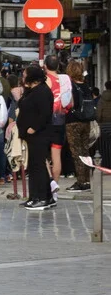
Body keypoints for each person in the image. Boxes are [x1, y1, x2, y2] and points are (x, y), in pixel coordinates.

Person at [18, 65, 54, 210]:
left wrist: (33, 128)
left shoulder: (43, 91)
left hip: (39, 134)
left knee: (38, 166)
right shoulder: (32, 90)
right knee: (34, 166)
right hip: (30, 135)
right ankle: (35, 196)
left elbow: (45, 113)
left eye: (25, 75)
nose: (23, 77)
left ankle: (42, 197)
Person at [43, 55, 73, 201]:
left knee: (41, 153)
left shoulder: (44, 80)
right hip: (60, 120)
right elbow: (71, 103)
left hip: (46, 121)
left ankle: (50, 181)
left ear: (45, 66)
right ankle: (55, 191)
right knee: (57, 156)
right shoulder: (65, 80)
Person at [64, 60, 94, 193]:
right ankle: (87, 180)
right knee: (85, 150)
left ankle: (81, 182)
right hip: (86, 121)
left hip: (73, 121)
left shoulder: (71, 86)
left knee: (76, 152)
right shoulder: (86, 86)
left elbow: (69, 103)